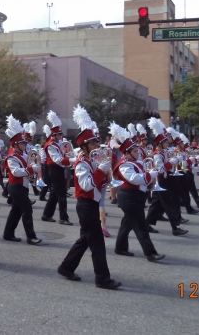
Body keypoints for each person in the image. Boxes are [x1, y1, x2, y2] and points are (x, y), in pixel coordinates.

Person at [58, 106, 121, 289]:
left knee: (85, 240)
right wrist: (101, 170)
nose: (96, 146)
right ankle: (102, 278)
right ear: (84, 146)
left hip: (92, 203)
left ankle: (66, 267)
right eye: (93, 144)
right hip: (85, 205)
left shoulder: (93, 160)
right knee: (97, 244)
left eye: (96, 143)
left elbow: (100, 182)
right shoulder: (81, 163)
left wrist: (107, 172)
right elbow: (86, 185)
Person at [111, 122, 165, 262]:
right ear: (127, 153)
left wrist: (150, 182)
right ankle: (150, 253)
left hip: (135, 196)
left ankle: (120, 247)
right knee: (141, 226)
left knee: (127, 223)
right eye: (135, 151)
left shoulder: (136, 162)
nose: (138, 153)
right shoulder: (125, 164)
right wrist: (151, 176)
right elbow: (134, 179)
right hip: (128, 197)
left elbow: (142, 179)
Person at [2, 115, 42, 245]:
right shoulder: (12, 157)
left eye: (24, 142)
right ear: (15, 145)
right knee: (27, 209)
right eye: (22, 143)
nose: (25, 144)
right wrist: (31, 169)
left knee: (16, 210)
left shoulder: (24, 154)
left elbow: (32, 163)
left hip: (23, 186)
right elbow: (16, 172)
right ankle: (31, 237)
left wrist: (39, 162)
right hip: (15, 186)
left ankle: (8, 233)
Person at [145, 119, 188, 236]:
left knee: (156, 205)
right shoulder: (157, 154)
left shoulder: (163, 152)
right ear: (159, 144)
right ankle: (175, 227)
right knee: (169, 205)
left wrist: (174, 161)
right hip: (161, 180)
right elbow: (160, 169)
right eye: (165, 142)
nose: (167, 144)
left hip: (165, 180)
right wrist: (172, 162)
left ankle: (147, 224)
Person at [41, 110, 73, 225]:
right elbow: (57, 160)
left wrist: (68, 154)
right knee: (62, 193)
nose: (61, 136)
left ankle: (46, 214)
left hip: (58, 169)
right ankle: (63, 217)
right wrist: (70, 160)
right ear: (53, 135)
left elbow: (62, 155)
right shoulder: (50, 146)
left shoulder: (57, 143)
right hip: (54, 169)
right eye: (59, 134)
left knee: (55, 193)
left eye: (61, 134)